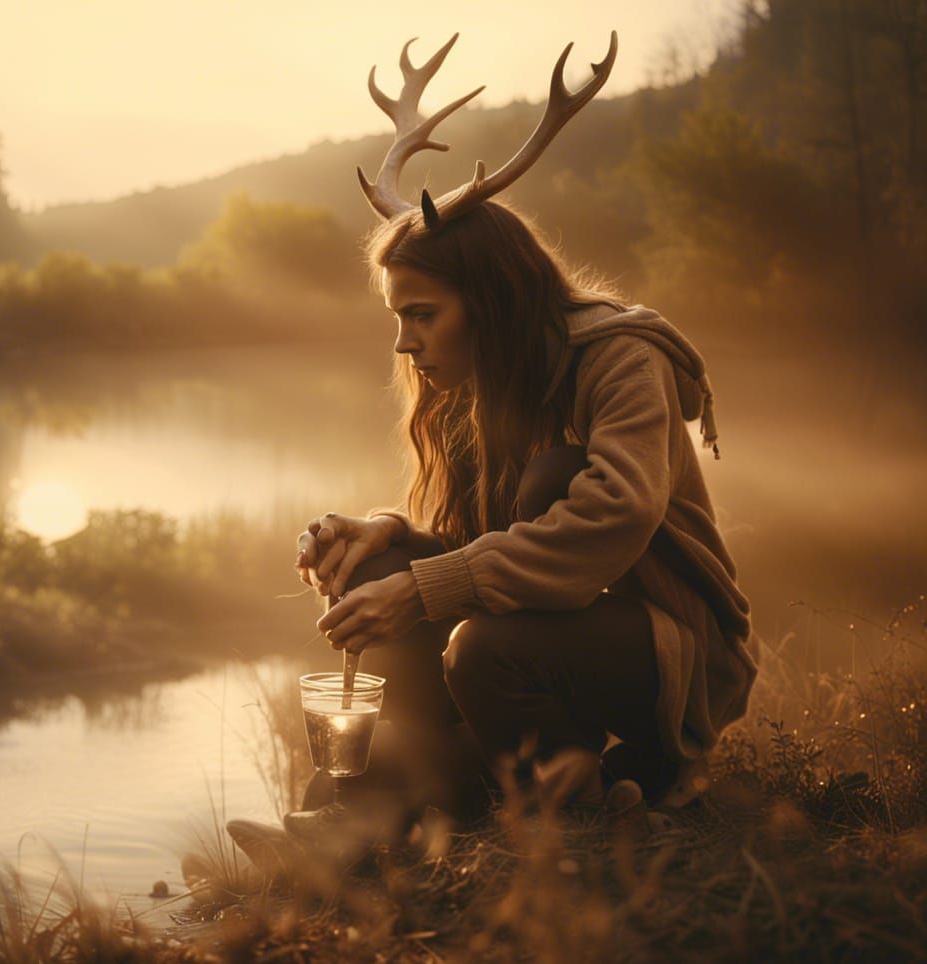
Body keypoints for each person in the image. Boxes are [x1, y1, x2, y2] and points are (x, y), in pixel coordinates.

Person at [229, 31, 760, 862]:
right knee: (381, 576)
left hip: (672, 650)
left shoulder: (623, 359)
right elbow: (475, 544)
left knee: (493, 601)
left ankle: (616, 788)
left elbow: (613, 514)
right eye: (399, 318)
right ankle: (379, 820)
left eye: (422, 314)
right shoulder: (467, 385)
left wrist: (427, 584)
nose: (405, 343)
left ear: (491, 299)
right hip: (546, 640)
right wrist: (384, 536)